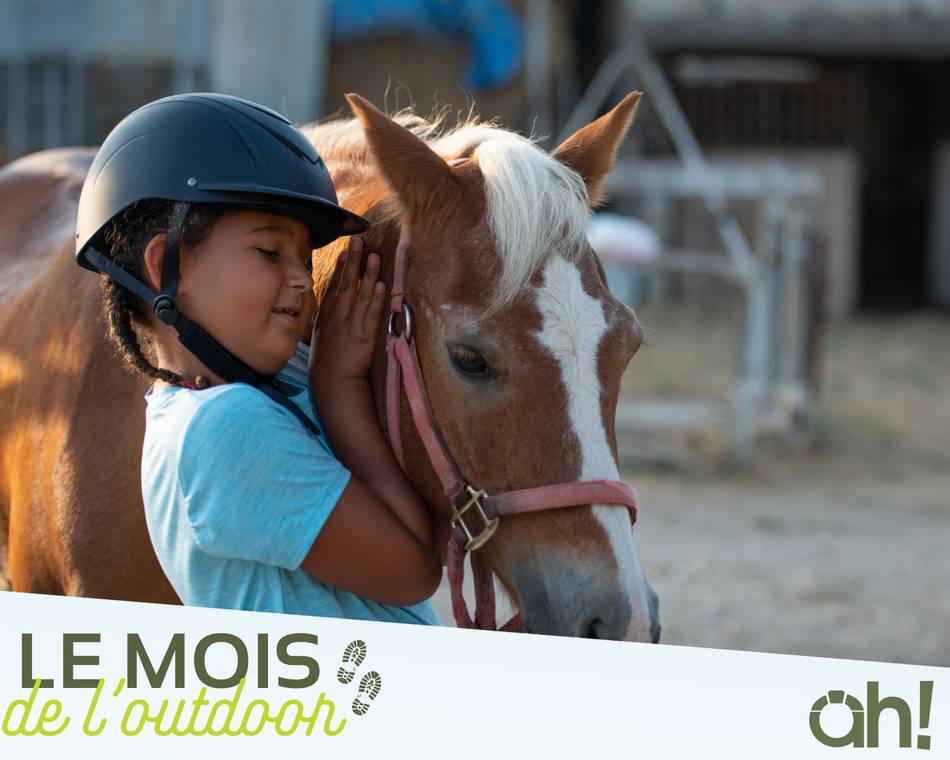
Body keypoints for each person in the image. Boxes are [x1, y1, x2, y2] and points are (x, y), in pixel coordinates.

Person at [74, 92, 443, 624]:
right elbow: (414, 567)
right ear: (163, 268)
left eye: (304, 257)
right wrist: (340, 383)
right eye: (271, 252)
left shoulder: (227, 403)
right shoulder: (224, 426)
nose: (301, 278)